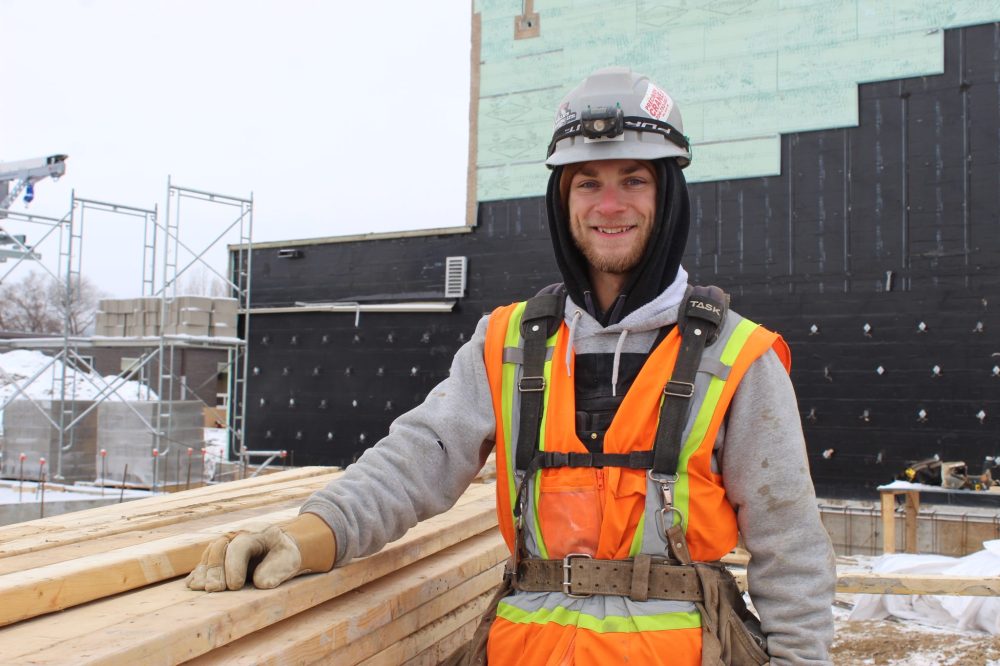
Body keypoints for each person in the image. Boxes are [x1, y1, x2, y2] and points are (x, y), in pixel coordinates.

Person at [187, 66, 836, 665]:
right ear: (563, 199)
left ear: (667, 195)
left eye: (633, 179)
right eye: (588, 183)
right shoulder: (509, 343)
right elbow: (417, 459)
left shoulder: (736, 359)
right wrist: (309, 533)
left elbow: (792, 551)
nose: (609, 205)